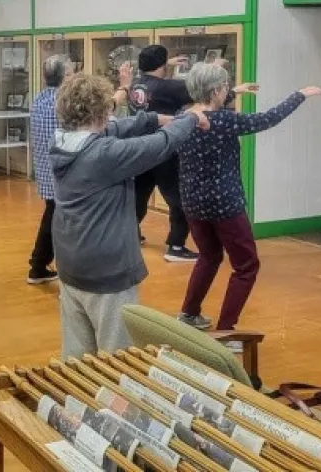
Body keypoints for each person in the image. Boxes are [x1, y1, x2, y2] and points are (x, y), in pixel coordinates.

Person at [51, 70, 207, 359]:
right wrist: (191, 117)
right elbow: (160, 144)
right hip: (106, 273)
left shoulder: (63, 141)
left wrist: (154, 118)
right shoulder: (104, 155)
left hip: (72, 265)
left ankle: (76, 402)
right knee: (118, 361)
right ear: (101, 112)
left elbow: (116, 127)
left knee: (76, 360)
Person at [176, 62, 321, 344]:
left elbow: (211, 106)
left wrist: (234, 93)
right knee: (246, 266)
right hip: (225, 205)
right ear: (217, 90)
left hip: (193, 203)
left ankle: (189, 313)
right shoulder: (225, 121)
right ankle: (226, 332)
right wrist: (300, 94)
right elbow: (268, 118)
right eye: (225, 87)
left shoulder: (184, 116)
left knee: (209, 257)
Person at [130, 45, 248, 262]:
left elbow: (160, 82)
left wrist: (169, 64)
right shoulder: (168, 87)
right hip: (165, 150)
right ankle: (175, 245)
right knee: (179, 200)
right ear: (162, 65)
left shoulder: (136, 84)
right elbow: (201, 91)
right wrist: (220, 73)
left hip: (141, 148)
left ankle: (129, 235)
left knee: (138, 195)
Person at [27, 54, 73, 285]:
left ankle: (39, 264)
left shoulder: (39, 98)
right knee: (59, 222)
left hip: (46, 170)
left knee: (52, 215)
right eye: (72, 72)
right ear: (65, 76)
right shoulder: (65, 102)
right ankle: (42, 265)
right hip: (64, 173)